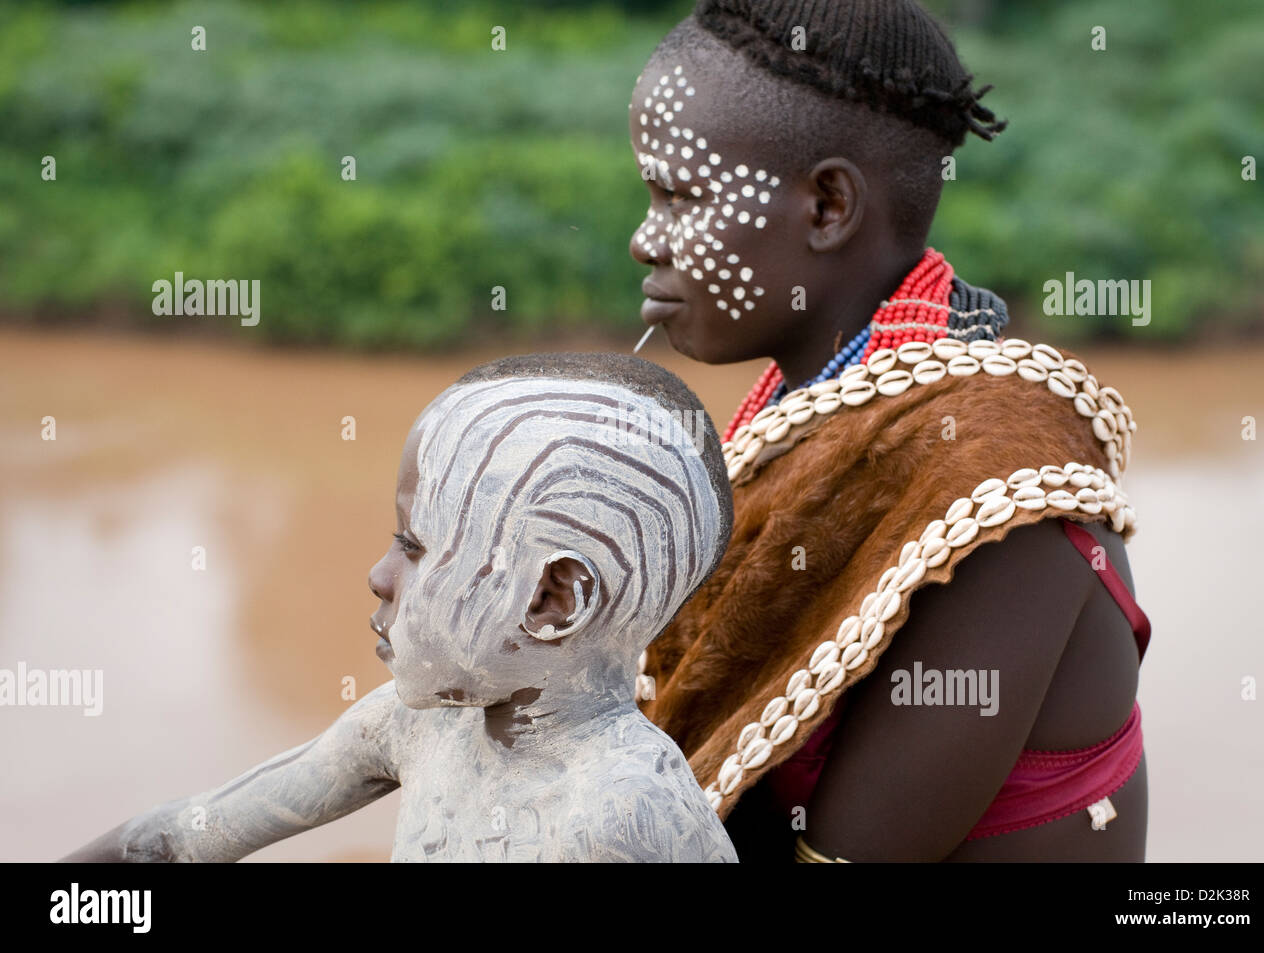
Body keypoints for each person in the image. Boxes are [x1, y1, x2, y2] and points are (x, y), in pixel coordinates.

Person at [629, 0, 1151, 861]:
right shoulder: (803, 416)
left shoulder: (992, 497)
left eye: (681, 197)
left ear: (829, 205)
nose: (648, 238)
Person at [61, 354, 737, 862]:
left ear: (552, 598)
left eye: (414, 546)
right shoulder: (417, 726)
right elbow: (182, 837)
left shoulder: (626, 814)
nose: (378, 575)